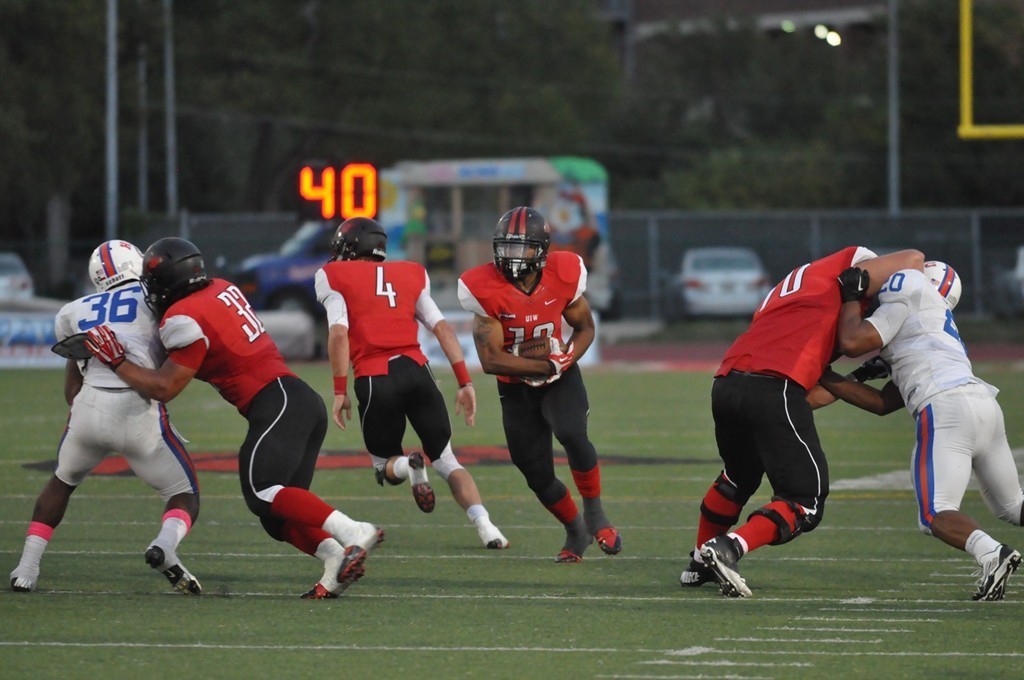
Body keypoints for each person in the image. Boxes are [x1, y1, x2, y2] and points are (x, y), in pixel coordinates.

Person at [82, 237, 382, 600]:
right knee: (276, 517)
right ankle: (335, 562)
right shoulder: (221, 287)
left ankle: (353, 531)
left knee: (262, 492)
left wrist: (117, 362)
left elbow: (164, 387)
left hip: (278, 402)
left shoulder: (183, 318)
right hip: (296, 401)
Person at [681, 245, 925, 597]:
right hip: (773, 384)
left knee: (738, 476)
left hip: (728, 382)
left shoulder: (800, 291)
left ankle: (698, 562)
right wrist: (859, 292)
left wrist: (855, 376)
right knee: (804, 499)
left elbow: (802, 402)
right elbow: (914, 258)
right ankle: (728, 548)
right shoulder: (849, 272)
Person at [817, 260, 1023, 601]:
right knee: (1013, 506)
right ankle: (992, 554)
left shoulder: (911, 286)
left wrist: (852, 297)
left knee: (934, 513)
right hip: (983, 403)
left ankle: (992, 554)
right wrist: (829, 378)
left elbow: (852, 341)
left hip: (946, 409)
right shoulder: (935, 328)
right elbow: (884, 402)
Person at [10, 240, 202, 594]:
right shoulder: (156, 300)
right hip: (138, 409)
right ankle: (165, 545)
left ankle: (27, 567)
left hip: (89, 408)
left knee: (62, 481)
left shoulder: (72, 311)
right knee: (184, 494)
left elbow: (73, 379)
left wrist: (81, 411)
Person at [314, 217, 509, 549]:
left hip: (376, 377)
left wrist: (338, 390)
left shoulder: (332, 275)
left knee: (383, 467)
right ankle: (488, 527)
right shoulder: (411, 272)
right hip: (418, 371)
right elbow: (442, 328)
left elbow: (338, 333)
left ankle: (410, 467)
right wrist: (465, 382)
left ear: (348, 248)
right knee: (447, 460)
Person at [457, 206, 621, 563]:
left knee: (573, 434)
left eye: (523, 248)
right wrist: (541, 364)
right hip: (515, 386)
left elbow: (585, 328)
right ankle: (576, 529)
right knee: (535, 471)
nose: (512, 257)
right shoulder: (482, 286)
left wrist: (565, 359)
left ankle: (596, 516)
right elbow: (491, 360)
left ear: (543, 251)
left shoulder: (564, 273)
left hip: (559, 378)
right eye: (506, 247)